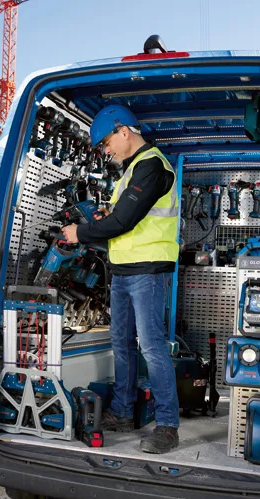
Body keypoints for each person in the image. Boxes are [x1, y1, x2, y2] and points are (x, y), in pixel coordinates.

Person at [61, 105, 180, 454]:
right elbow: (120, 217)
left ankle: (168, 426)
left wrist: (79, 233)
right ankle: (124, 412)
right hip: (124, 270)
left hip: (148, 270)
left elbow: (123, 222)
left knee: (152, 348)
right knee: (122, 344)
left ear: (123, 130)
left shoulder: (152, 166)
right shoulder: (131, 172)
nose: (106, 151)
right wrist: (104, 216)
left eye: (106, 142)